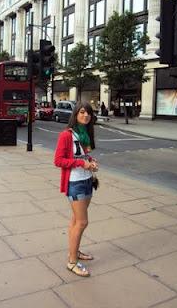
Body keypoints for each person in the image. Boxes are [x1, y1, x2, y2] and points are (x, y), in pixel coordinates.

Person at [54, 101, 98, 277]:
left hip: (87, 180)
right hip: (75, 182)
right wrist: (81, 163)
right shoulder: (66, 135)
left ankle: (75, 251)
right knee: (82, 222)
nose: (86, 115)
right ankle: (72, 262)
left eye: (88, 113)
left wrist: (91, 161)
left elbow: (83, 154)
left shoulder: (85, 133)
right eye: (82, 112)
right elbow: (58, 160)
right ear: (75, 114)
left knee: (76, 220)